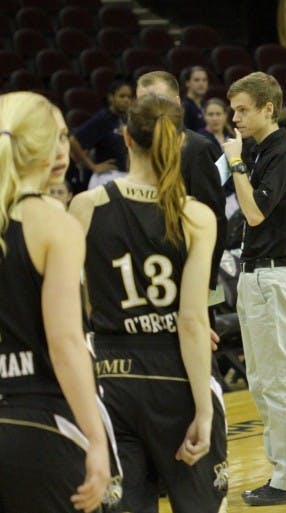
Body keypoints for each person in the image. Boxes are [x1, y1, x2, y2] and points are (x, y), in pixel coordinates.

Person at [68, 92, 226, 512]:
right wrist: (204, 411)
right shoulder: (195, 216)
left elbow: (73, 302)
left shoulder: (85, 206)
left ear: (125, 138)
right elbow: (192, 322)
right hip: (175, 372)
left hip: (112, 375)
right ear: (178, 143)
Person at [0, 91, 117, 513]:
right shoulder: (52, 221)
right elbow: (66, 342)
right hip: (41, 423)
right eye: (60, 137)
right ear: (44, 146)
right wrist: (98, 440)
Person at [223, 71, 286, 506]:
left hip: (274, 275)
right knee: (260, 381)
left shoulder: (280, 154)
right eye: (233, 109)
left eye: (242, 109)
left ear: (267, 109)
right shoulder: (258, 153)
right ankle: (282, 472)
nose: (234, 117)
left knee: (278, 381)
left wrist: (236, 163)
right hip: (254, 274)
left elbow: (255, 213)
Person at [136, 71, 228, 303]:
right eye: (142, 103)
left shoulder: (198, 149)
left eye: (157, 101)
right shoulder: (134, 149)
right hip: (144, 276)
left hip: (189, 276)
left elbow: (215, 219)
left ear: (176, 104)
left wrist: (208, 284)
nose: (149, 110)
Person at [69, 80, 133, 192]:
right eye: (122, 96)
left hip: (125, 176)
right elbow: (74, 141)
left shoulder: (126, 119)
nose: (126, 100)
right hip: (108, 177)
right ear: (111, 98)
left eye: (129, 97)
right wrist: (93, 166)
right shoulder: (103, 119)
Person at [181, 66, 210, 132]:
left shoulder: (207, 105)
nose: (201, 83)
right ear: (187, 83)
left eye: (204, 80)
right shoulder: (184, 107)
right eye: (196, 80)